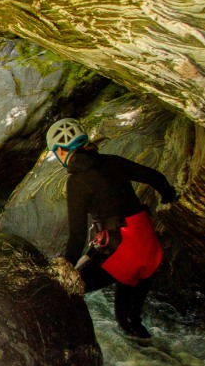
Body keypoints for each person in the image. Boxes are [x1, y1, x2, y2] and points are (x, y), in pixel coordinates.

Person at [46, 118, 178, 339]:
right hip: (149, 249)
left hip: (121, 251)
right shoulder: (112, 161)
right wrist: (169, 196)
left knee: (68, 289)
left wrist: (64, 269)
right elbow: (155, 178)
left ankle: (60, 338)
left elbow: (77, 237)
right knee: (129, 320)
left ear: (60, 151)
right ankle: (149, 348)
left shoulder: (77, 181)